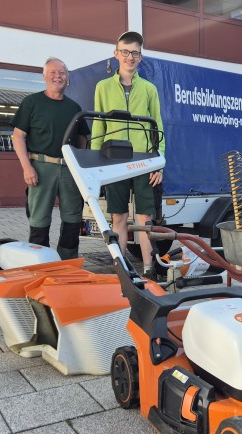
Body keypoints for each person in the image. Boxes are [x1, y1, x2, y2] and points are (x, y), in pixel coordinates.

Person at [91, 31, 165, 279]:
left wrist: (158, 164)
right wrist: (94, 166)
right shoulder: (102, 88)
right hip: (114, 161)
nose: (129, 57)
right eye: (125, 51)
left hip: (143, 160)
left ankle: (148, 268)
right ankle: (120, 269)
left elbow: (158, 128)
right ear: (116, 54)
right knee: (118, 216)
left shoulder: (149, 89)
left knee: (144, 218)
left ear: (140, 57)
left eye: (134, 52)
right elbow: (98, 126)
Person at [10, 57, 90, 260]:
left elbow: (82, 139)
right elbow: (18, 136)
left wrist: (79, 166)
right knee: (39, 220)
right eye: (53, 73)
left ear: (68, 78)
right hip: (41, 168)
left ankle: (68, 262)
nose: (58, 76)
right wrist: (27, 167)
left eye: (62, 73)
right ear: (45, 77)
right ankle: (39, 264)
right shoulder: (31, 103)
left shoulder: (74, 108)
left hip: (69, 170)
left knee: (72, 219)